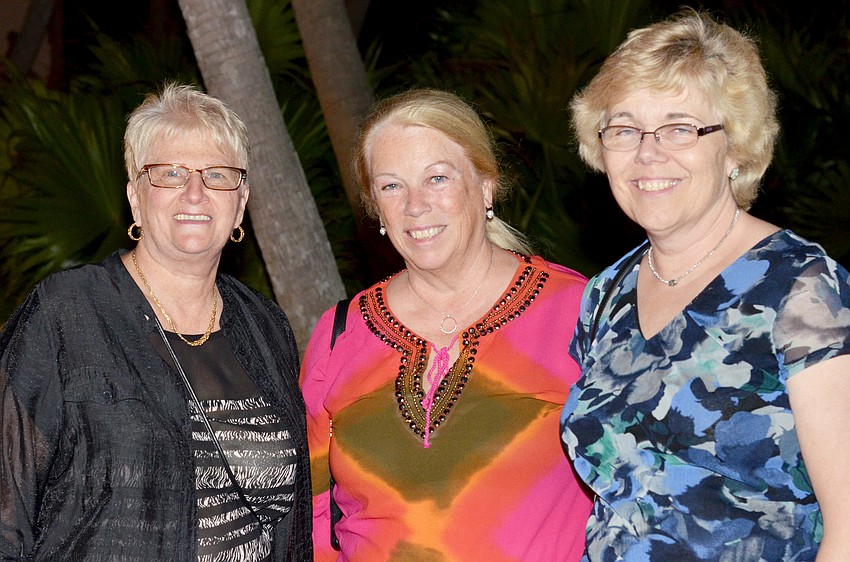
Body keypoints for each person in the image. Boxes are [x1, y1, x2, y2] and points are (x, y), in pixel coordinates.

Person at [560, 9, 850, 561]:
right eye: (625, 129)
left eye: (680, 128)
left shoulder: (803, 288)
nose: (648, 153)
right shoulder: (605, 295)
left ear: (735, 147)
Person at [0, 83, 312, 560]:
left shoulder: (264, 325)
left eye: (217, 175)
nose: (195, 192)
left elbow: (292, 528)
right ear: (135, 197)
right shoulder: (66, 313)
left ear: (241, 201)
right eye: (170, 174)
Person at [300, 87, 593, 561]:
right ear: (375, 207)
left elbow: (636, 496)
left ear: (485, 185)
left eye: (437, 178)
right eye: (391, 186)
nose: (414, 205)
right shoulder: (340, 334)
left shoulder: (577, 312)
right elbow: (308, 516)